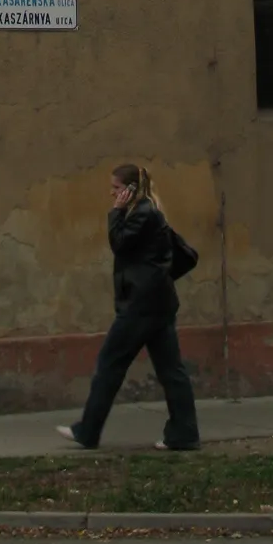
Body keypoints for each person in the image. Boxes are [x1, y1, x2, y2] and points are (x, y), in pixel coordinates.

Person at [56, 162, 200, 451]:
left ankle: (88, 431)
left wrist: (116, 213)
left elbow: (119, 244)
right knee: (171, 370)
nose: (112, 194)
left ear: (131, 190)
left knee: (110, 364)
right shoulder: (151, 212)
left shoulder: (143, 214)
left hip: (141, 306)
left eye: (117, 189)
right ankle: (184, 433)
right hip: (157, 304)